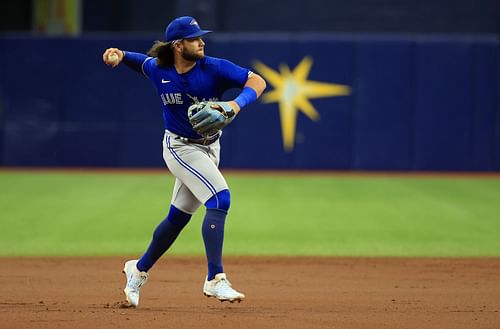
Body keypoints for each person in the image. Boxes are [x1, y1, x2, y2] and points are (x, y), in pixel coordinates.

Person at [102, 16, 266, 307]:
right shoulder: (159, 69)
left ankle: (137, 269)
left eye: (200, 37)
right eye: (194, 38)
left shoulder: (214, 68)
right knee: (220, 199)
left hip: (210, 147)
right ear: (178, 45)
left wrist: (234, 104)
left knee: (177, 218)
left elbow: (257, 80)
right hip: (179, 147)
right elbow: (139, 60)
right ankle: (215, 279)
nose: (201, 42)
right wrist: (119, 55)